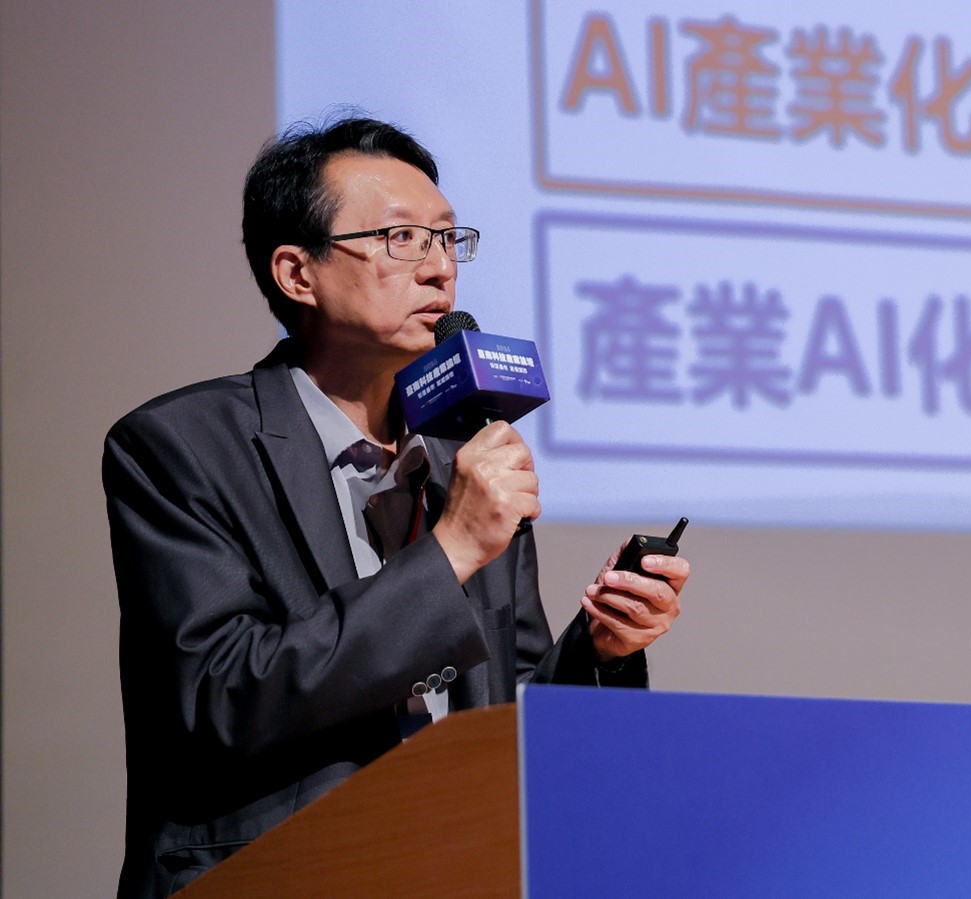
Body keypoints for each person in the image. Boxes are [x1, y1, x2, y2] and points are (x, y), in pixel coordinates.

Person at [102, 117, 688, 898]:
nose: (439, 269)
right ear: (297, 273)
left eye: (447, 239)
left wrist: (603, 649)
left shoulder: (462, 456)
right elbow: (221, 698)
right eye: (401, 238)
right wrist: (450, 551)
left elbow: (507, 714)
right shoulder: (180, 446)